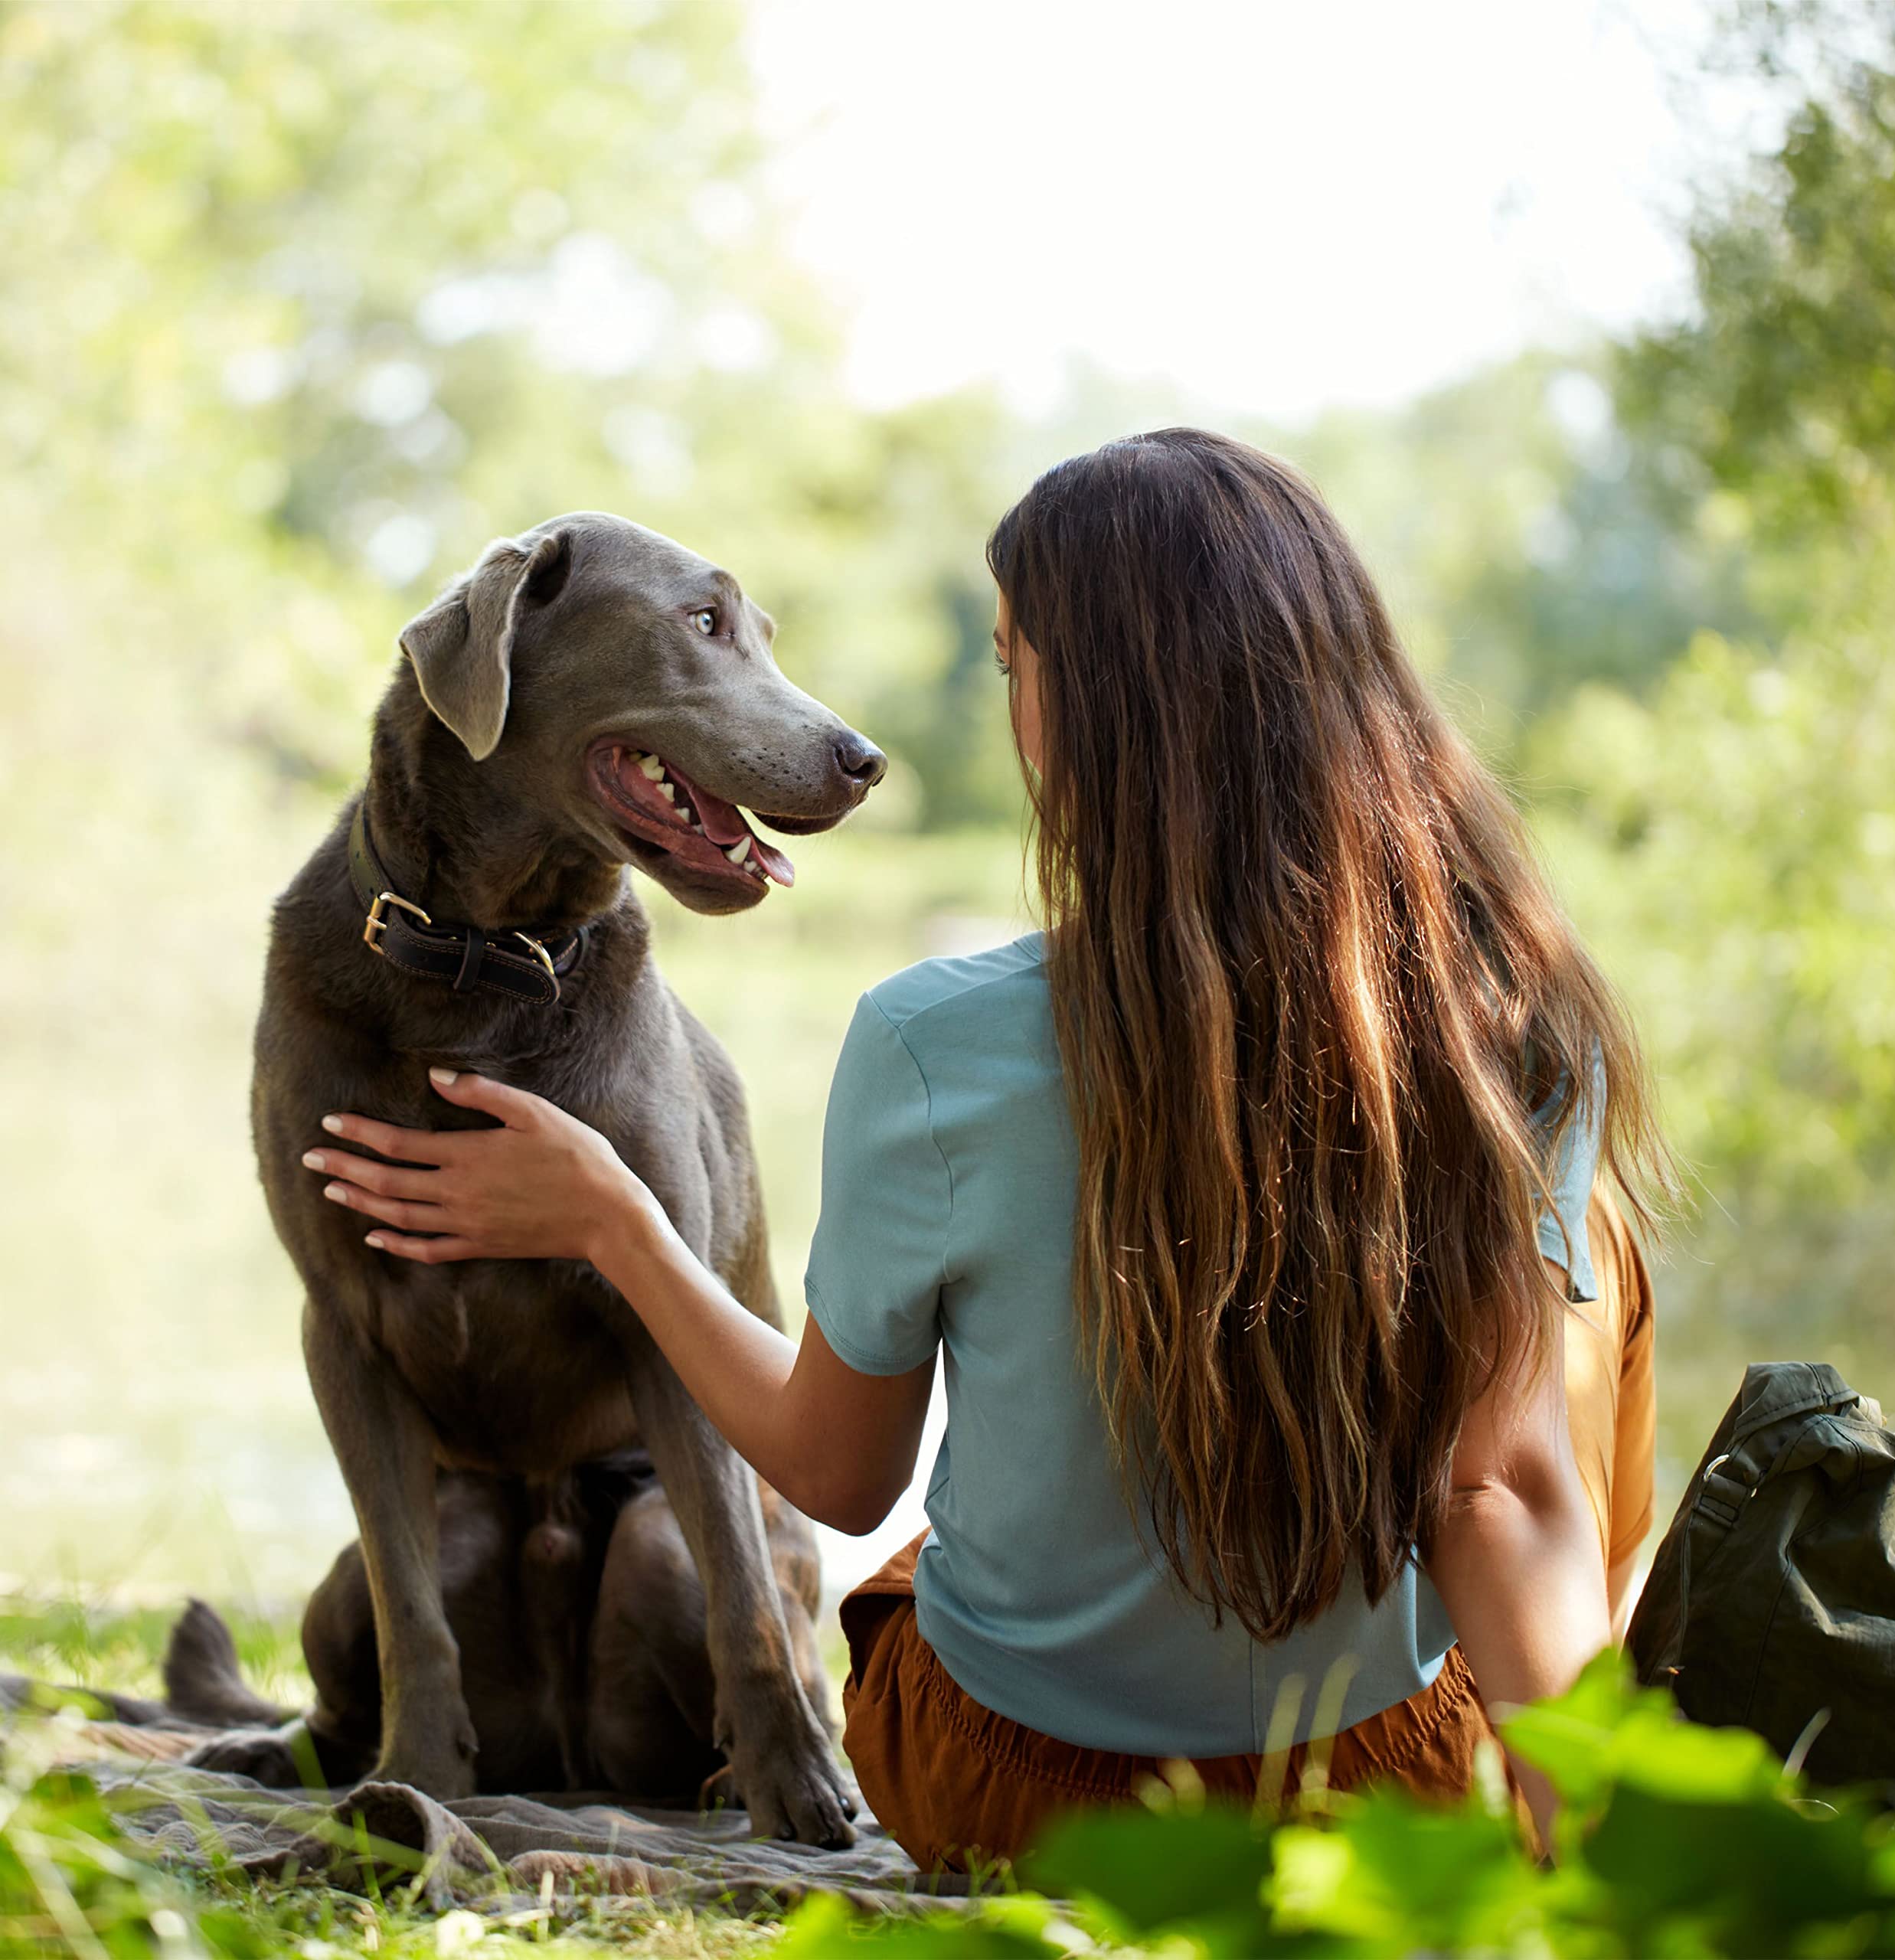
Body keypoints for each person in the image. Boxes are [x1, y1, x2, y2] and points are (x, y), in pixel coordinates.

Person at [304, 430, 1665, 1866]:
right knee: (1572, 1306)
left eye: (1015, 668)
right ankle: (1579, 1792)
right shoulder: (1506, 1032)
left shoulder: (929, 1041)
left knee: (919, 1565)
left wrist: (616, 1223)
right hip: (1360, 1785)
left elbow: (837, 1479)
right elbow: (1495, 1494)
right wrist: (1605, 1893)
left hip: (1010, 1788)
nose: (1008, 705)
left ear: (1100, 712)